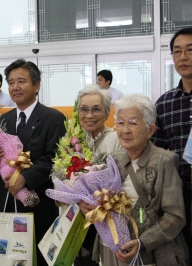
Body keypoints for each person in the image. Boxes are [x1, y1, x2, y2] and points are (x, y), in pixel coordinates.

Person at [0, 59, 66, 266]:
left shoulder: (53, 118)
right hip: (5, 202)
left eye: (21, 81)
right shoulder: (2, 120)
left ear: (37, 85)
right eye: (11, 82)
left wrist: (25, 178)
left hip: (38, 202)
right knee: (7, 257)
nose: (15, 87)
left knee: (39, 257)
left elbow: (54, 158)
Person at [92, 94, 189, 265]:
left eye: (133, 123)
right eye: (120, 123)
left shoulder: (164, 160)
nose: (125, 130)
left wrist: (142, 242)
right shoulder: (114, 159)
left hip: (152, 255)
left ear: (150, 130)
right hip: (113, 251)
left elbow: (175, 216)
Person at [151, 27, 192, 255]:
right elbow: (155, 150)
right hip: (179, 194)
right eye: (177, 52)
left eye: (190, 50)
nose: (183, 57)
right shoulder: (165, 103)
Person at [76, 85, 122, 266]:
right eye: (84, 109)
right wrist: (78, 200)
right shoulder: (72, 140)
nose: (89, 115)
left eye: (96, 109)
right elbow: (59, 178)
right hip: (80, 219)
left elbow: (123, 180)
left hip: (109, 219)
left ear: (107, 113)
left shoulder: (117, 140)